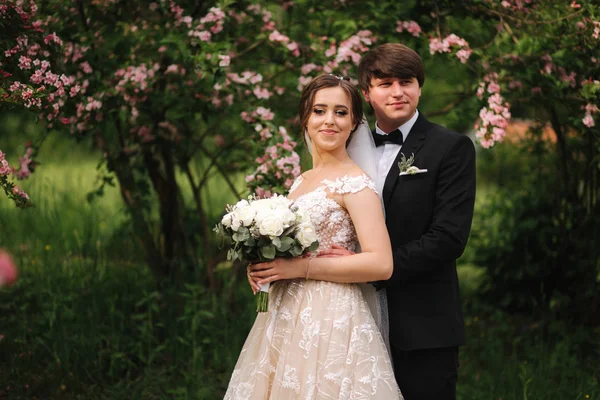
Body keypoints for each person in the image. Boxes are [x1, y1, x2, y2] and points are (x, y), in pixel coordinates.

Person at [251, 43, 476, 399]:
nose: (398, 92)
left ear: (420, 86)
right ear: (367, 93)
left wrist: (367, 269)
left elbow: (448, 238)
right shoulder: (345, 145)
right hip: (332, 319)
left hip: (420, 322)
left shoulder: (451, 147)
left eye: (407, 81)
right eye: (386, 83)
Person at [224, 74, 403, 399]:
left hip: (330, 318)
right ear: (305, 119)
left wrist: (300, 269)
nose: (329, 121)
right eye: (319, 111)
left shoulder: (356, 183)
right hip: (284, 314)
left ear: (354, 122)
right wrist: (265, 266)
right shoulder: (301, 180)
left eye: (341, 112)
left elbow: (381, 263)